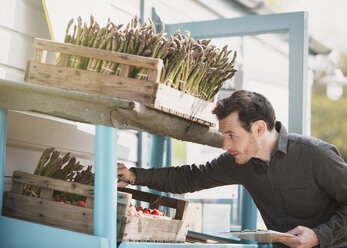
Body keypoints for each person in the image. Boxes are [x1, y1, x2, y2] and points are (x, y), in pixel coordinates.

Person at [117, 90, 347, 248]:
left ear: (258, 128)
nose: (226, 145)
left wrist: (318, 236)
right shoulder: (239, 162)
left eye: (232, 136)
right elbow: (191, 177)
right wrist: (135, 175)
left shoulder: (317, 155)